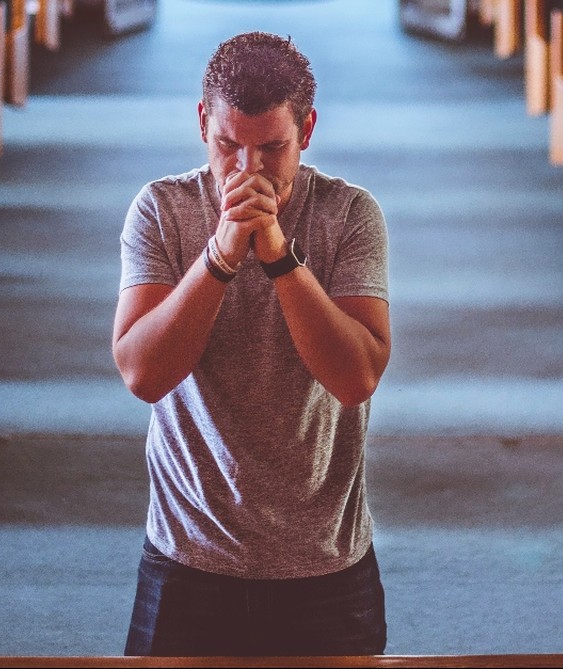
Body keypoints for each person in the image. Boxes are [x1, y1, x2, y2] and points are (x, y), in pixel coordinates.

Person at [111, 31, 392, 657]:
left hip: (325, 561)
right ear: (202, 122)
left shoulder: (349, 214)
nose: (248, 171)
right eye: (227, 146)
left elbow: (356, 378)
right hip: (189, 555)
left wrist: (278, 256)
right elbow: (143, 375)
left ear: (308, 130)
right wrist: (219, 255)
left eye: (272, 149)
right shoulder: (161, 210)